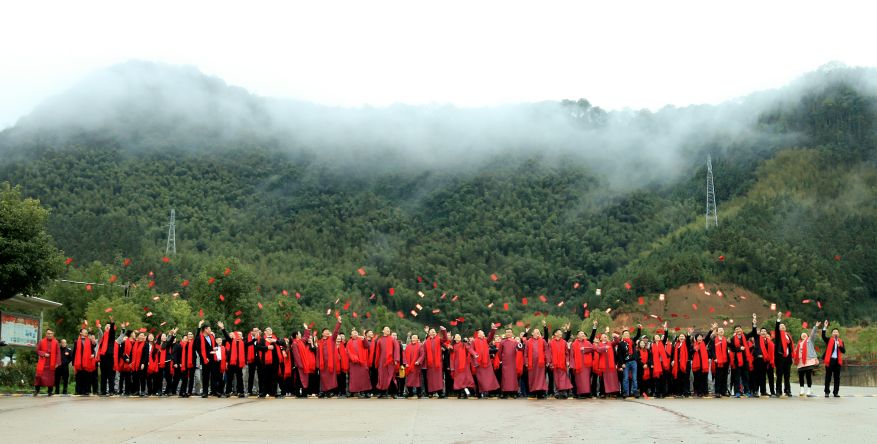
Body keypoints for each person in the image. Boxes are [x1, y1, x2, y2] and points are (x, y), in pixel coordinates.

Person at [316, 317, 343, 397]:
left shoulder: (331, 339)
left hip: (330, 363)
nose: (327, 332)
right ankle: (323, 391)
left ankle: (329, 391)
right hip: (322, 363)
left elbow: (335, 332)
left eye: (328, 331)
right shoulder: (320, 342)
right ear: (322, 333)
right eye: (325, 331)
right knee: (323, 378)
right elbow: (318, 354)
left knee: (330, 378)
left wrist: (338, 323)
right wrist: (318, 364)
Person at [255, 326, 285, 398]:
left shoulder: (275, 338)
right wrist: (267, 347)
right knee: (265, 377)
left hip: (275, 361)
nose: (269, 331)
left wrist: (275, 341)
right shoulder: (263, 339)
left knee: (274, 377)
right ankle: (264, 392)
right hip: (265, 361)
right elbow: (258, 347)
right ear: (265, 332)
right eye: (267, 330)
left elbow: (283, 342)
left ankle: (273, 392)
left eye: (270, 330)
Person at [218, 323, 246, 398]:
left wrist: (255, 338)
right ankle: (228, 392)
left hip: (239, 363)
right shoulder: (231, 341)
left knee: (240, 378)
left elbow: (251, 343)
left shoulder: (243, 343)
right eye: (237, 334)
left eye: (240, 335)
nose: (238, 336)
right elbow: (226, 336)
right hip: (231, 363)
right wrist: (223, 328)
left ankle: (241, 392)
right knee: (230, 378)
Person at [471, 326, 500, 398]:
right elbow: (471, 349)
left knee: (489, 378)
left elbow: (491, 336)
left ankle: (489, 392)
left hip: (487, 362)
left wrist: (493, 329)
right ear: (478, 334)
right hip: (479, 363)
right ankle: (479, 393)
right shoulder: (474, 341)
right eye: (482, 332)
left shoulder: (486, 340)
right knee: (480, 379)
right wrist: (475, 354)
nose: (484, 333)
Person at [614, 324, 642, 398]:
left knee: (634, 378)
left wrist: (639, 329)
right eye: (625, 334)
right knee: (625, 378)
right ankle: (625, 392)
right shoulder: (621, 344)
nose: (627, 335)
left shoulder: (632, 341)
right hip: (625, 363)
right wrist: (621, 364)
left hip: (633, 361)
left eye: (628, 334)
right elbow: (619, 355)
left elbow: (638, 336)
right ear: (622, 336)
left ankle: (635, 392)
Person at [793, 322, 820, 397]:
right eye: (802, 334)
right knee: (801, 376)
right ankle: (802, 389)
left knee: (808, 376)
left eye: (805, 334)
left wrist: (816, 326)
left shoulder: (810, 341)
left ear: (807, 336)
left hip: (808, 361)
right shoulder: (798, 344)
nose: (803, 335)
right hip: (800, 362)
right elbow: (795, 353)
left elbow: (813, 334)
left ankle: (809, 390)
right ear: (800, 337)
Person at [374, 325, 401, 398]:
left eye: (389, 329)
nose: (388, 330)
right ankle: (382, 393)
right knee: (381, 377)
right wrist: (377, 362)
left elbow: (396, 350)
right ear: (383, 331)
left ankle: (393, 393)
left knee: (391, 377)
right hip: (382, 362)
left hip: (390, 362)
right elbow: (377, 352)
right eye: (386, 329)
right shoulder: (380, 340)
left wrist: (396, 359)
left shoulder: (393, 340)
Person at [569, 324, 596, 399]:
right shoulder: (574, 344)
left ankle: (587, 392)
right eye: (581, 334)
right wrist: (572, 364)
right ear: (577, 336)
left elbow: (592, 349)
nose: (583, 335)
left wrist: (585, 349)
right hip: (578, 364)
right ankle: (579, 393)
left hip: (586, 364)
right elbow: (571, 355)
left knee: (587, 379)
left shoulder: (587, 342)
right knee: (579, 380)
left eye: (583, 334)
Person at [594, 326, 620, 398]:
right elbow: (598, 350)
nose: (605, 337)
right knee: (603, 380)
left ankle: (613, 392)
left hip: (611, 364)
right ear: (601, 338)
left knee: (612, 379)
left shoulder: (610, 343)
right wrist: (604, 348)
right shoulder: (599, 344)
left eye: (606, 336)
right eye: (604, 336)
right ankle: (602, 393)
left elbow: (617, 342)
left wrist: (615, 336)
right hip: (603, 365)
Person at [497, 328, 524, 398]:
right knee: (505, 378)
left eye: (509, 332)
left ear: (512, 334)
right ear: (505, 334)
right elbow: (499, 352)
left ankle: (514, 392)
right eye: (507, 332)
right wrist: (501, 360)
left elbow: (520, 349)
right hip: (505, 362)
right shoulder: (502, 342)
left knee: (513, 378)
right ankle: (505, 392)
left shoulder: (515, 342)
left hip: (513, 362)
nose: (508, 333)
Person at [821, 320, 845, 398]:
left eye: (836, 332)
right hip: (829, 360)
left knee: (837, 378)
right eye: (834, 332)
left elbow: (843, 351)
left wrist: (839, 346)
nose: (835, 333)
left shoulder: (841, 341)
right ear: (832, 334)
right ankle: (827, 392)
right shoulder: (829, 340)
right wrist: (825, 327)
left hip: (837, 361)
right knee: (828, 377)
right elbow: (823, 336)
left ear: (838, 334)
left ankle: (836, 392)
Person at [729, 323, 754, 398]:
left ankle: (747, 391)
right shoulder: (732, 339)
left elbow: (752, 333)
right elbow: (732, 349)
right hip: (737, 360)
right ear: (735, 331)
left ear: (741, 329)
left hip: (745, 359)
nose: (738, 330)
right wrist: (739, 348)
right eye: (736, 329)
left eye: (739, 329)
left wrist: (754, 323)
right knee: (737, 377)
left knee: (745, 376)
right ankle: (737, 392)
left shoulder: (745, 336)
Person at [525, 326, 550, 399]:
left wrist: (548, 361)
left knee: (541, 378)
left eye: (538, 332)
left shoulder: (543, 341)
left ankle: (541, 393)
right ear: (532, 333)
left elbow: (546, 351)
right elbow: (526, 353)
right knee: (532, 378)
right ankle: (533, 393)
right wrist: (526, 362)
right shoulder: (528, 341)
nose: (537, 333)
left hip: (541, 363)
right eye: (536, 332)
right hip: (531, 363)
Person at [96, 317, 119, 396]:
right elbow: (100, 334)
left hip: (110, 357)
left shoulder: (111, 336)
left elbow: (112, 331)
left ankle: (111, 391)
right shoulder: (103, 337)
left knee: (111, 375)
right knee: (103, 375)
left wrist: (112, 323)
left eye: (109, 327)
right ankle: (103, 391)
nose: (107, 327)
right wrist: (99, 328)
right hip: (103, 357)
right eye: (106, 326)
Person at [34, 329, 61, 396]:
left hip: (51, 363)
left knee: (50, 378)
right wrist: (43, 354)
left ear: (53, 334)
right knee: (38, 376)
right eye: (48, 333)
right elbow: (37, 350)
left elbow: (58, 353)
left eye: (51, 333)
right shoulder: (41, 341)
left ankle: (50, 391)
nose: (49, 335)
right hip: (42, 363)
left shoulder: (56, 342)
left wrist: (57, 362)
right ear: (46, 334)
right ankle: (36, 391)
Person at [346, 329, 372, 398]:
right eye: (353, 333)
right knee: (355, 379)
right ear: (351, 335)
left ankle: (365, 392)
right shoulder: (349, 342)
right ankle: (356, 392)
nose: (355, 334)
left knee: (364, 378)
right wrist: (354, 358)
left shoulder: (361, 339)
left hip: (362, 362)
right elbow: (348, 352)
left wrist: (364, 339)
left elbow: (367, 346)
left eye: (356, 333)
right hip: (354, 363)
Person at [422, 326, 446, 398]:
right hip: (430, 363)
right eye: (431, 331)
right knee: (430, 379)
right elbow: (423, 352)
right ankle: (431, 392)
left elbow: (445, 339)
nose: (433, 333)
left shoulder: (439, 339)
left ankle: (440, 392)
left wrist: (444, 330)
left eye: (434, 332)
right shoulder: (426, 342)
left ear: (436, 333)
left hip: (438, 363)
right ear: (429, 333)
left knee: (438, 379)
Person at [196, 321, 219, 398]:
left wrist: (215, 348)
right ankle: (205, 392)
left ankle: (214, 391)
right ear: (205, 329)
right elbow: (199, 350)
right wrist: (205, 358)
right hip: (205, 359)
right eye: (209, 329)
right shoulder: (200, 338)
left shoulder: (212, 337)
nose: (210, 330)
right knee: (205, 376)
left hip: (213, 358)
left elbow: (214, 346)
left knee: (214, 376)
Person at [548, 328, 573, 399]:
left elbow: (567, 353)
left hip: (562, 363)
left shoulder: (564, 342)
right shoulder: (551, 343)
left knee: (563, 378)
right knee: (556, 378)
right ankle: (557, 392)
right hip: (555, 363)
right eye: (559, 332)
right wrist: (550, 362)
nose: (561, 333)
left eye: (561, 332)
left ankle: (564, 392)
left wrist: (567, 361)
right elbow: (549, 353)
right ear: (555, 334)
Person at [691, 325, 715, 397]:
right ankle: (697, 392)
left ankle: (704, 392)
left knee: (704, 379)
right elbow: (690, 352)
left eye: (701, 337)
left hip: (704, 364)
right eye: (698, 337)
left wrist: (711, 329)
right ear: (695, 338)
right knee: (697, 379)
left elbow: (708, 336)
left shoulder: (704, 343)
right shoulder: (693, 345)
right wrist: (693, 349)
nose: (699, 338)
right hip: (696, 365)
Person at [449, 334, 476, 398]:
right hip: (456, 365)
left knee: (465, 379)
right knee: (458, 380)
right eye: (456, 337)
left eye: (459, 337)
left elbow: (470, 349)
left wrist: (474, 354)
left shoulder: (464, 344)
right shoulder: (452, 346)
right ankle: (460, 393)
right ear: (454, 339)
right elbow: (451, 358)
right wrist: (452, 367)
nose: (458, 338)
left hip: (464, 365)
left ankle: (464, 393)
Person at [774, 312, 794, 397]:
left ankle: (787, 390)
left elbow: (790, 346)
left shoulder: (788, 335)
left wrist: (792, 357)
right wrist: (778, 319)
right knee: (779, 374)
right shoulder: (778, 335)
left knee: (787, 375)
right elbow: (776, 328)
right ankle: (778, 390)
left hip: (788, 358)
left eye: (783, 326)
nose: (782, 327)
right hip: (780, 357)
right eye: (781, 326)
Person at [72, 328, 96, 396]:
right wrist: (73, 363)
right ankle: (78, 391)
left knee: (87, 377)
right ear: (81, 333)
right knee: (79, 377)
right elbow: (74, 352)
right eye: (84, 331)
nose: (86, 332)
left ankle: (86, 391)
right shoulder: (76, 341)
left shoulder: (89, 341)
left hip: (87, 361)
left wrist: (93, 354)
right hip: (79, 362)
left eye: (86, 331)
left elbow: (93, 349)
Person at [710, 325, 729, 398]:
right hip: (718, 361)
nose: (721, 331)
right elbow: (711, 350)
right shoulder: (714, 340)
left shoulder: (725, 340)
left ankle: (723, 391)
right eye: (720, 330)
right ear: (717, 332)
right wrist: (714, 358)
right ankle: (717, 392)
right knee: (718, 377)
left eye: (722, 330)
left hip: (725, 361)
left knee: (725, 377)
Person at [670, 329, 691, 398]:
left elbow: (688, 340)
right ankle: (679, 392)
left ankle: (686, 392)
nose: (681, 337)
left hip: (685, 363)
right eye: (680, 336)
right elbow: (673, 354)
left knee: (686, 378)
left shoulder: (687, 344)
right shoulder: (676, 345)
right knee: (678, 378)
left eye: (683, 336)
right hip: (677, 364)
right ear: (678, 338)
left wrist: (688, 334)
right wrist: (673, 360)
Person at [403, 334, 424, 398]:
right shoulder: (408, 346)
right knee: (409, 380)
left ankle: (419, 393)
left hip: (416, 366)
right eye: (413, 338)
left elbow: (422, 355)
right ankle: (410, 393)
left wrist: (418, 361)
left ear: (418, 339)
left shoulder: (420, 346)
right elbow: (404, 356)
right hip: (409, 366)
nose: (414, 339)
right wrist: (405, 363)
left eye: (415, 338)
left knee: (418, 381)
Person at [245, 328, 261, 396]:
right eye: (255, 331)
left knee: (260, 375)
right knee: (251, 375)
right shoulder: (247, 338)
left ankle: (260, 390)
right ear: (252, 332)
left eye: (257, 331)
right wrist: (254, 339)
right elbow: (246, 344)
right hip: (251, 359)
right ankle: (249, 391)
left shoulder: (261, 338)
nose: (256, 332)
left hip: (259, 359)